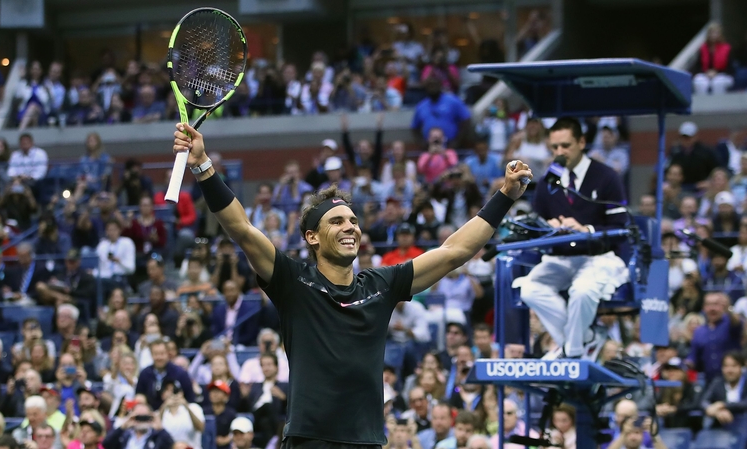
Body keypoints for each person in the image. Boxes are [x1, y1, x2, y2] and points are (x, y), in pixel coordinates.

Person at [171, 122, 531, 448]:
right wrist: (203, 166)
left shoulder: (382, 284)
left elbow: (455, 251)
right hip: (309, 440)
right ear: (312, 236)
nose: (351, 227)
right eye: (337, 221)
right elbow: (242, 229)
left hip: (368, 441)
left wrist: (505, 196)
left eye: (354, 221)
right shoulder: (292, 281)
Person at [513, 117, 629, 360]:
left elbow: (620, 228)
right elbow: (537, 224)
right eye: (554, 148)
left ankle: (572, 354)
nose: (560, 152)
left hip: (598, 257)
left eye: (565, 146)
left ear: (582, 142)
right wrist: (548, 227)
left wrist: (585, 229)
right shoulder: (548, 182)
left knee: (582, 291)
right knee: (529, 289)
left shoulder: (607, 177)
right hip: (561, 258)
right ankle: (584, 339)